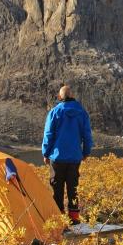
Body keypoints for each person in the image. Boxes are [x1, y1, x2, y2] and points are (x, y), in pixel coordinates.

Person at [42, 85, 93, 225]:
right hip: (74, 158)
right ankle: (74, 219)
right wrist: (86, 152)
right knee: (73, 188)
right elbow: (87, 135)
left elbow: (48, 135)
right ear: (72, 95)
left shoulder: (54, 112)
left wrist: (45, 153)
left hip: (57, 158)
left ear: (60, 97)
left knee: (57, 189)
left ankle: (59, 219)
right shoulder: (82, 113)